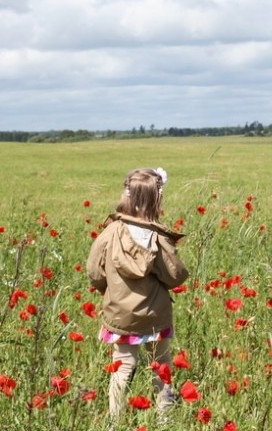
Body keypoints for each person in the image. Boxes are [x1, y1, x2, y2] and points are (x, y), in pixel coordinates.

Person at [86, 167, 189, 421]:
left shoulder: (110, 232)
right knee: (161, 364)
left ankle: (115, 422)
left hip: (120, 315)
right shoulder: (157, 237)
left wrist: (110, 292)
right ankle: (165, 418)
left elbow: (93, 272)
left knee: (122, 366)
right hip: (155, 314)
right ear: (155, 199)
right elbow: (175, 276)